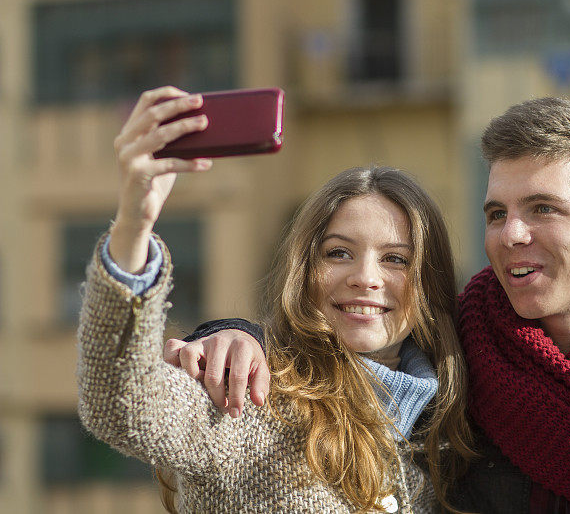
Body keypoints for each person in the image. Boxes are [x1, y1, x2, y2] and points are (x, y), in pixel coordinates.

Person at [176, 97, 570, 512]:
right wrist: (234, 334)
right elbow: (339, 353)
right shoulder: (459, 352)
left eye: (543, 208)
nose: (511, 234)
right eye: (497, 212)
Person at [77, 86, 474, 513]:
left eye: (396, 259)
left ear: (430, 284)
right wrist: (134, 228)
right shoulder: (251, 395)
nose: (366, 278)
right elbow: (121, 405)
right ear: (305, 271)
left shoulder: (446, 433)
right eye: (338, 252)